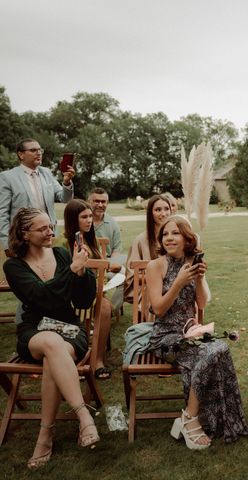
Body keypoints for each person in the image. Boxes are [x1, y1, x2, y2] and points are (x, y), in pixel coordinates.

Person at [2, 208, 100, 468]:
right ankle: (84, 416)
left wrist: (81, 273)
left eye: (51, 226)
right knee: (50, 342)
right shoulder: (13, 265)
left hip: (69, 328)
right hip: (34, 329)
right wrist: (71, 270)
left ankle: (45, 435)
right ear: (25, 234)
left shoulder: (61, 254)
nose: (51, 232)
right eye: (43, 228)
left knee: (52, 356)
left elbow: (82, 300)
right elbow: (42, 298)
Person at [145, 216, 248, 449]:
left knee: (219, 348)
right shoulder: (155, 266)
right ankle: (191, 419)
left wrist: (200, 278)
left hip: (191, 332)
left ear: (186, 238)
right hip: (165, 338)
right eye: (165, 234)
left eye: (175, 233)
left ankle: (189, 417)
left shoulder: (192, 262)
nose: (169, 238)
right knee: (210, 352)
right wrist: (179, 282)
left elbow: (201, 304)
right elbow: (159, 309)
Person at [63, 199, 113, 379]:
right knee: (105, 305)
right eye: (84, 217)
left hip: (95, 290)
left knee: (106, 305)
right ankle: (81, 358)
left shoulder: (90, 240)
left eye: (90, 216)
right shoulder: (64, 243)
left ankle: (98, 360)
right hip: (73, 294)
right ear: (72, 219)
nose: (89, 220)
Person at [0, 139, 75, 254]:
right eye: (33, 150)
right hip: (23, 239)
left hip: (49, 236)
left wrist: (66, 182)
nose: (39, 153)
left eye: (40, 150)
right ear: (21, 154)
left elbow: (65, 198)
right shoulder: (7, 177)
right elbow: (2, 213)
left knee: (50, 270)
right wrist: (6, 243)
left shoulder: (47, 173)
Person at [123, 194, 172, 301]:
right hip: (149, 291)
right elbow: (132, 276)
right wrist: (160, 278)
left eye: (166, 209)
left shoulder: (176, 239)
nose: (163, 214)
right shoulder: (140, 240)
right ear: (150, 213)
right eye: (158, 210)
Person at [88, 187, 126, 268]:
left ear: (107, 203)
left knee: (124, 274)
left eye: (103, 202)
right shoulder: (83, 221)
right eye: (97, 201)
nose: (100, 205)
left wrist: (111, 265)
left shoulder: (113, 224)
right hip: (87, 263)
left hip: (108, 262)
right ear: (89, 202)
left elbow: (116, 249)